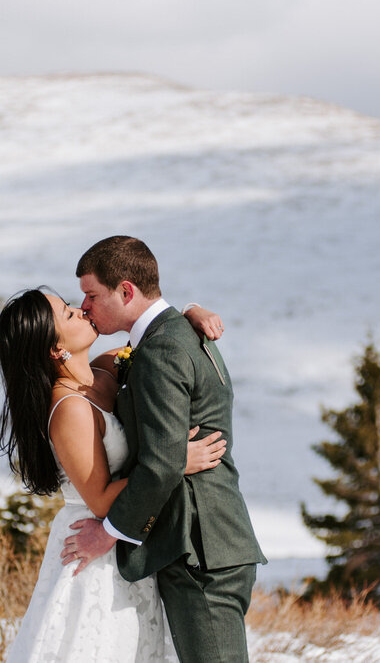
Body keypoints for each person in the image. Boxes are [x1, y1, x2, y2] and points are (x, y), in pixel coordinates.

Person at [0, 287, 228, 662]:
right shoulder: (69, 407)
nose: (81, 310)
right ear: (56, 350)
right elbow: (100, 498)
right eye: (68, 315)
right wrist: (174, 462)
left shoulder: (104, 370)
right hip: (93, 546)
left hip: (128, 533)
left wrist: (190, 313)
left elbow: (156, 338)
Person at [65, 236, 267, 663]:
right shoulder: (170, 335)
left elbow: (160, 465)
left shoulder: (163, 348)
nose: (84, 306)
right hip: (207, 543)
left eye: (91, 295)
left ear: (126, 291)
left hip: (200, 548)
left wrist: (107, 534)